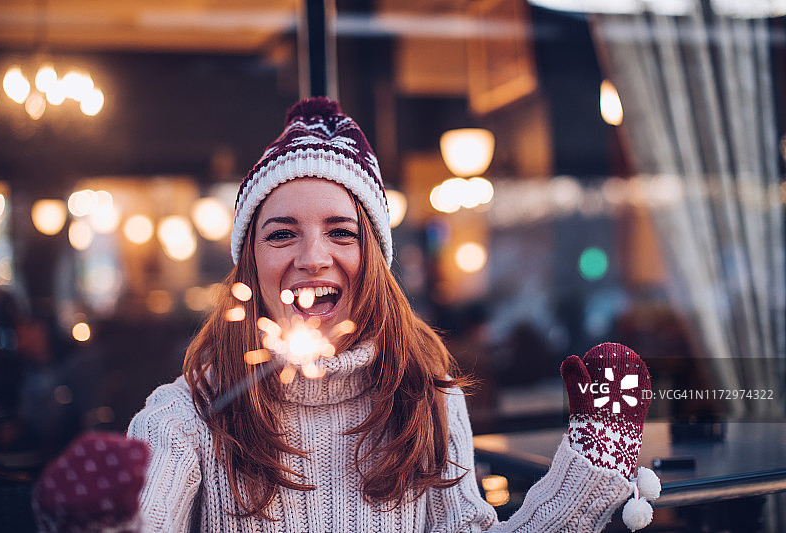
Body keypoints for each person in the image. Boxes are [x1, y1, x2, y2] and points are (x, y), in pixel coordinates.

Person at [33, 97, 660, 532]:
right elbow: (150, 516)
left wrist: (592, 470)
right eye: (281, 234)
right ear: (249, 265)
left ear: (374, 259)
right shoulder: (187, 413)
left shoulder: (429, 401)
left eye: (342, 231)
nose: (314, 257)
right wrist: (106, 521)